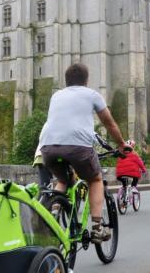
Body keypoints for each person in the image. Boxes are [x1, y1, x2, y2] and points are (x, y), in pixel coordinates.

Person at [40, 63, 129, 244]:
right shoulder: (91, 95)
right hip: (78, 147)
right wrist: (121, 144)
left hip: (47, 147)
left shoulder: (56, 95)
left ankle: (55, 210)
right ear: (86, 80)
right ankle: (97, 228)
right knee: (95, 180)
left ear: (67, 81)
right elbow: (109, 123)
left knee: (63, 180)